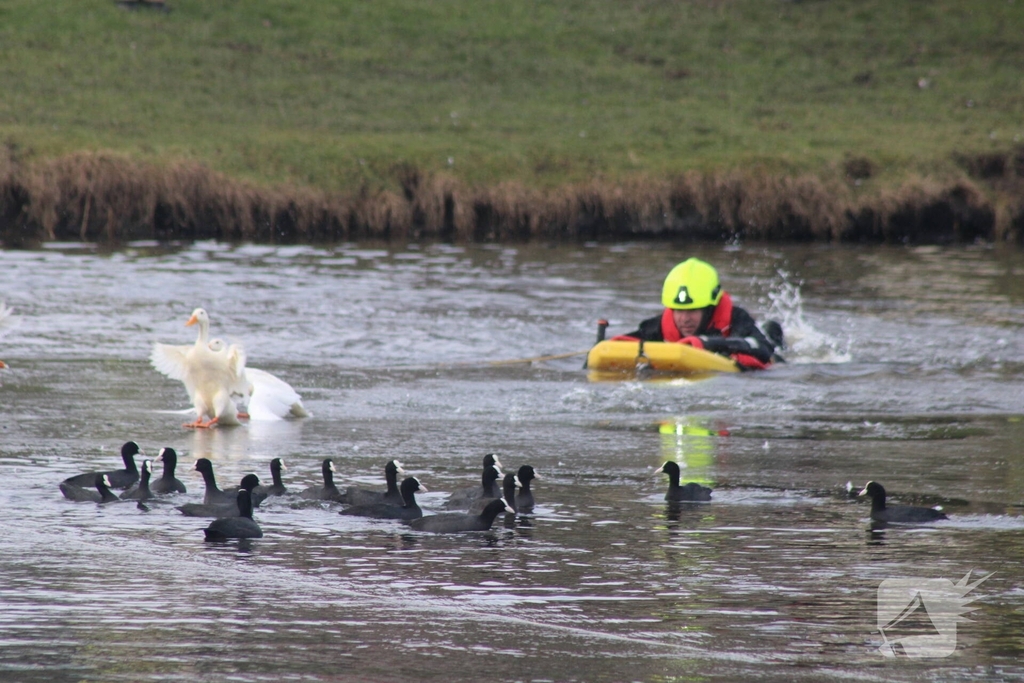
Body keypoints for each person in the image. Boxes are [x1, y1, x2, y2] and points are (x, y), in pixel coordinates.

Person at [615, 257, 783, 370]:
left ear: (709, 308)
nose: (684, 319)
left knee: (776, 346)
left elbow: (763, 349)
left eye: (692, 310)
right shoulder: (660, 325)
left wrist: (706, 343)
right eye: (679, 310)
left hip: (767, 349)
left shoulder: (736, 318)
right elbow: (625, 343)